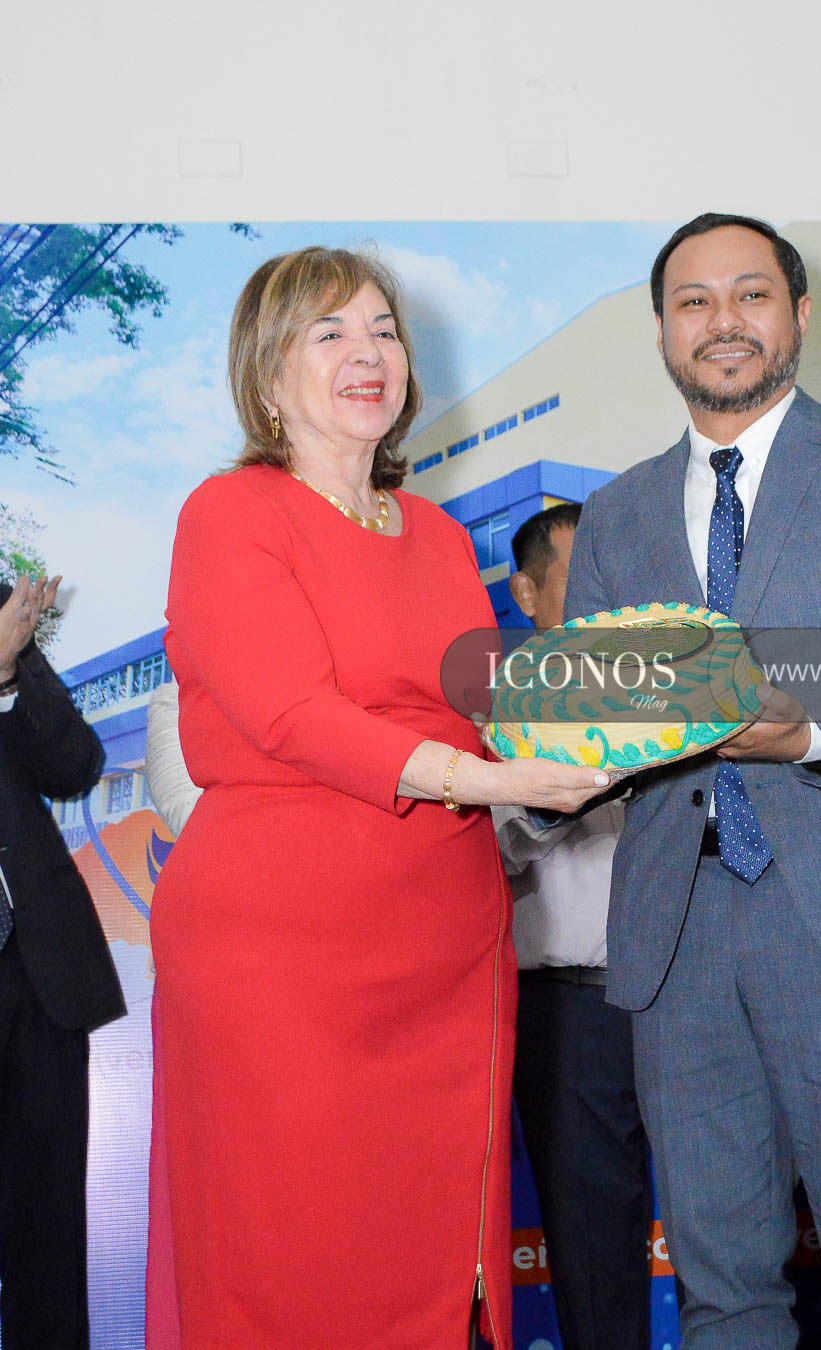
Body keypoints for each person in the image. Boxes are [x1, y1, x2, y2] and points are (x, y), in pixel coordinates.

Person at [148, 245, 608, 1350]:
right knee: (292, 1267)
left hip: (445, 958)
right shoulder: (230, 512)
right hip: (283, 963)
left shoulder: (441, 537)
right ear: (268, 374)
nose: (368, 354)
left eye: (384, 331)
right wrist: (488, 781)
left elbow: (492, 711)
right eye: (330, 333)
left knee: (435, 1269)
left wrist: (625, 735)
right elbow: (293, 715)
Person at [563, 213, 821, 1348]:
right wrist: (539, 746)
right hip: (677, 931)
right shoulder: (616, 511)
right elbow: (601, 719)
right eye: (693, 301)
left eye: (751, 295)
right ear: (662, 329)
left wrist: (807, 732)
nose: (723, 322)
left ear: (799, 314)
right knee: (720, 1289)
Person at [495, 503, 653, 1350]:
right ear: (526, 593)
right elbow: (486, 842)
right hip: (575, 1008)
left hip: (697, 992)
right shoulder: (488, 698)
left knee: (737, 1226)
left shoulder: (683, 683)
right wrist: (563, 789)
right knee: (595, 1249)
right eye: (583, 576)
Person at [0, 573, 126, 1349]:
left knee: (46, 1234)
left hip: (35, 967)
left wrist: (6, 672)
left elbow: (76, 765)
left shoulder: (2, 620)